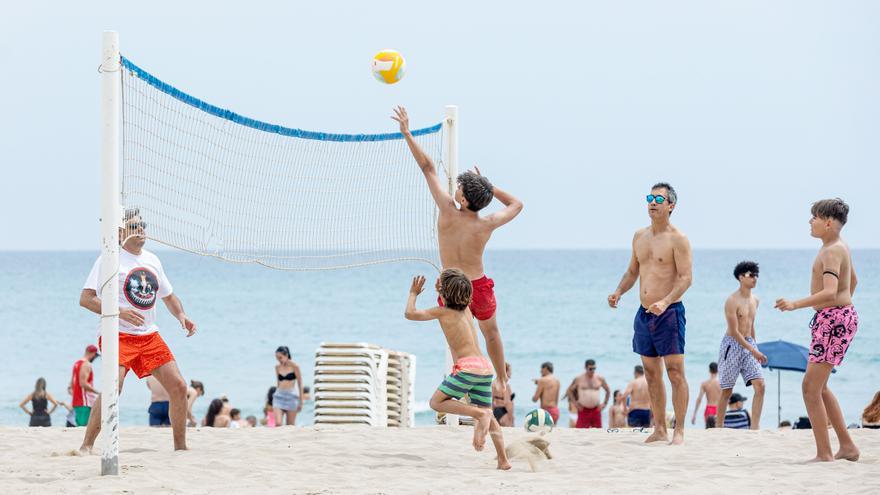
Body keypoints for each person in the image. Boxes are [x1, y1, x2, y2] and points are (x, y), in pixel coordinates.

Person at [392, 107, 524, 389]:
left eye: (462, 188)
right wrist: (489, 187)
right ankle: (501, 380)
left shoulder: (447, 210)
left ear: (464, 201)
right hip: (477, 284)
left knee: (456, 339)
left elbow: (427, 167)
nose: (458, 187)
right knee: (491, 333)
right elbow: (516, 205)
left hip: (452, 285)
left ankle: (462, 382)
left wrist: (406, 133)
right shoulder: (486, 223)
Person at [78, 208, 197, 452]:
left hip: (148, 336)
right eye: (134, 226)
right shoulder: (109, 258)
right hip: (117, 334)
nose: (141, 229)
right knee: (114, 387)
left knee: (179, 387)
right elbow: (86, 299)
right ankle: (87, 445)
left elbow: (169, 296)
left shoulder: (153, 260)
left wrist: (181, 316)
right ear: (121, 232)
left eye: (142, 225)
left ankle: (180, 448)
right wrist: (118, 312)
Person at [775, 198, 860, 462]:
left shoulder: (831, 250)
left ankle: (824, 454)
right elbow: (853, 281)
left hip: (834, 320)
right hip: (837, 317)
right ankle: (847, 447)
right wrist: (841, 308)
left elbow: (831, 291)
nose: (810, 222)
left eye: (814, 217)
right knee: (820, 387)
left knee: (810, 387)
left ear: (828, 222)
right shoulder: (838, 246)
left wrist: (795, 304)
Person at [608, 182, 693, 444]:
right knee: (651, 373)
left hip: (669, 313)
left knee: (675, 373)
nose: (652, 202)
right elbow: (633, 272)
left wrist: (666, 301)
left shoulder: (678, 239)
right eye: (650, 198)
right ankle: (659, 429)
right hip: (644, 313)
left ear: (671, 205)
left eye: (659, 199)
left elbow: (686, 278)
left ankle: (678, 430)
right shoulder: (639, 236)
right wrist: (619, 291)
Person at [405, 270, 511, 470]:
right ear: (467, 295)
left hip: (467, 367)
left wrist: (413, 293)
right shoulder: (468, 311)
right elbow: (455, 297)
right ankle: (503, 459)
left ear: (444, 294)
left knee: (436, 402)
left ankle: (478, 415)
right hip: (485, 367)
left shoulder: (441, 312)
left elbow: (410, 314)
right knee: (489, 413)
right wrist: (444, 290)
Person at [716, 261, 768, 430]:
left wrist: (755, 348)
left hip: (749, 344)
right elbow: (734, 331)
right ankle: (718, 427)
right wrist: (754, 351)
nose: (755, 278)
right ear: (741, 277)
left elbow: (751, 325)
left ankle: (754, 428)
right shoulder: (732, 301)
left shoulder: (755, 300)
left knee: (760, 385)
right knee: (727, 391)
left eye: (756, 275)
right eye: (751, 275)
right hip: (732, 345)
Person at [566, 359, 610, 429]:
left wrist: (605, 403)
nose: (592, 371)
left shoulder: (600, 378)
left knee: (598, 431)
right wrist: (575, 404)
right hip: (583, 410)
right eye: (590, 369)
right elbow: (569, 391)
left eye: (594, 368)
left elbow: (608, 390)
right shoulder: (579, 379)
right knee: (580, 431)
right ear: (585, 368)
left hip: (596, 409)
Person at [69, 344, 99, 427]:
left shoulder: (76, 363)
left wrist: (73, 394)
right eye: (95, 356)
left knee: (80, 425)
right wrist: (97, 392)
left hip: (77, 401)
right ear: (92, 353)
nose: (95, 358)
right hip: (84, 402)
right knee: (84, 427)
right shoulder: (86, 364)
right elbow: (83, 383)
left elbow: (71, 385)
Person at [273, 346, 303, 426]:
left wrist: (301, 402)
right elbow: (278, 383)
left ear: (286, 355)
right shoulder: (277, 367)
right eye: (277, 358)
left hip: (292, 397)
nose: (279, 360)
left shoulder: (295, 367)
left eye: (280, 357)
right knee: (278, 423)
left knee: (290, 426)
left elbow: (300, 384)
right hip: (279, 397)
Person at [692, 362, 722, 428]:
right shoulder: (721, 384)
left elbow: (699, 399)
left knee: (708, 429)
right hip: (719, 409)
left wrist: (694, 414)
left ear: (709, 370)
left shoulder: (704, 384)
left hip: (709, 409)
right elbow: (725, 399)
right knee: (718, 429)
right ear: (718, 370)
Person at [492, 362, 515, 426]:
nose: (511, 372)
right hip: (504, 411)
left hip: (496, 411)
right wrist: (511, 417)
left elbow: (491, 401)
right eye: (510, 370)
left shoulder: (494, 383)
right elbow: (507, 402)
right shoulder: (505, 385)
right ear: (505, 371)